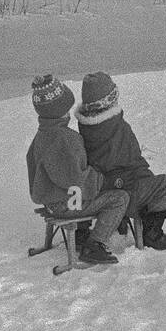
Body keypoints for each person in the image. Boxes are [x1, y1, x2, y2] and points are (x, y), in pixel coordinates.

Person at [26, 75, 129, 265]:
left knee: (92, 192)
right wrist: (101, 179)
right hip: (67, 205)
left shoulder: (41, 136)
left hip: (50, 203)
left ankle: (81, 235)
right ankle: (95, 244)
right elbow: (77, 178)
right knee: (119, 198)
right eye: (67, 109)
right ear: (61, 111)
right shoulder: (66, 138)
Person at [76, 72, 166, 251]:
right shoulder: (118, 129)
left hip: (101, 196)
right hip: (124, 196)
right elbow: (133, 162)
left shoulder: (86, 130)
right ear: (110, 100)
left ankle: (114, 223)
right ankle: (152, 232)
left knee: (130, 181)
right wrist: (150, 185)